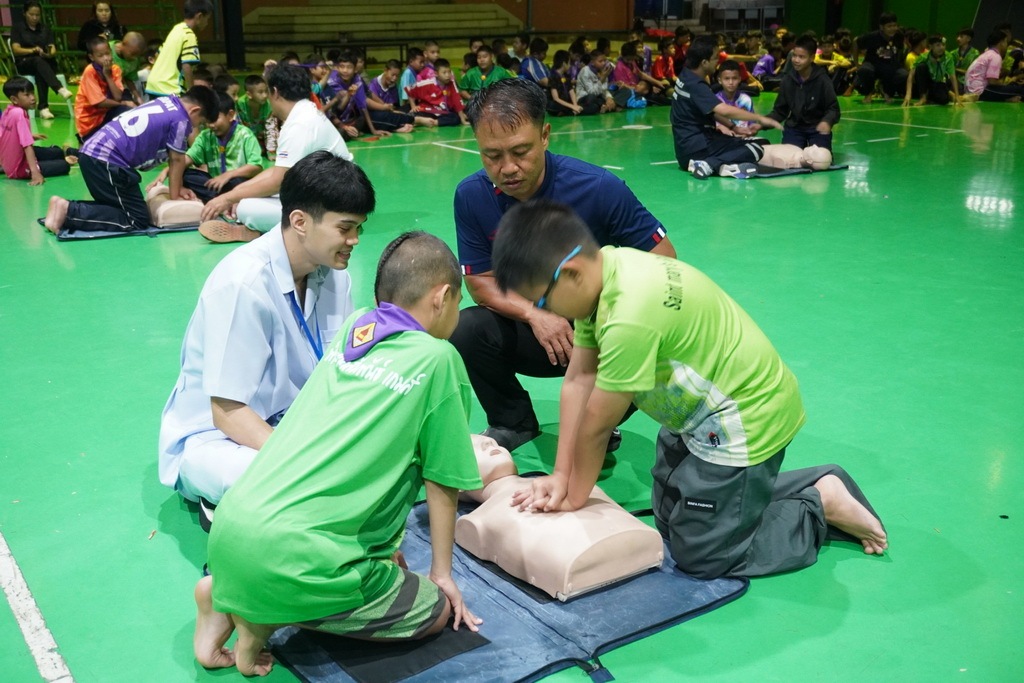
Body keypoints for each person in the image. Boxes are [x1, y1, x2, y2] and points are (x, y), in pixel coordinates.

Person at [492, 201, 888, 580]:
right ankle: (771, 495)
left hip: (743, 418)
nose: (547, 311)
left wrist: (574, 497)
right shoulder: (607, 271)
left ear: (572, 272)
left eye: (543, 299)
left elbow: (597, 423)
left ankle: (818, 503)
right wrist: (561, 474)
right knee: (669, 519)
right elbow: (579, 379)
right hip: (695, 416)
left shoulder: (630, 314)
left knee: (701, 553)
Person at [193, 231, 482, 676]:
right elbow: (442, 480)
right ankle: (258, 617)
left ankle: (228, 592)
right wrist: (442, 575)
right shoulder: (438, 358)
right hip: (288, 561)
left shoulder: (357, 327)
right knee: (433, 611)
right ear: (442, 298)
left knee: (369, 558)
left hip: (229, 531)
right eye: (459, 302)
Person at [450, 78, 676, 452]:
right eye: (492, 156)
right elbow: (481, 283)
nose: (508, 168)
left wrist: (609, 323)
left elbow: (664, 261)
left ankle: (600, 422)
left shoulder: (598, 187)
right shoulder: (471, 196)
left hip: (604, 333)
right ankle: (512, 421)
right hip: (537, 331)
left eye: (520, 151)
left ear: (545, 136)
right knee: (467, 328)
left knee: (594, 420)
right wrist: (535, 315)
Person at [160, 152, 373, 522]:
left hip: (293, 423)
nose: (354, 240)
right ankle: (223, 499)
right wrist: (306, 460)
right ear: (300, 221)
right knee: (298, 485)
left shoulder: (336, 276)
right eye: (345, 228)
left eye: (359, 229)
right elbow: (227, 412)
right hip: (222, 438)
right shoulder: (242, 284)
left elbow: (339, 371)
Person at [456, 434, 664, 600]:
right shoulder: (476, 521)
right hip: (581, 564)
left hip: (632, 541)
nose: (489, 442)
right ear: (455, 484)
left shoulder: (559, 483)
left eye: (492, 442)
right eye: (473, 448)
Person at [198, 64, 352, 243]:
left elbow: (278, 182)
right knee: (247, 197)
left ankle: (257, 232)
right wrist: (238, 191)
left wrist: (227, 198)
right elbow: (278, 170)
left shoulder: (298, 124)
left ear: (275, 92)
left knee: (246, 207)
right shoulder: (306, 112)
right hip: (334, 194)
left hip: (335, 206)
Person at [43, 86, 218, 237]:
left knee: (118, 207)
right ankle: (68, 211)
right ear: (194, 111)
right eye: (200, 123)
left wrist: (177, 188)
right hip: (107, 162)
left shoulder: (166, 101)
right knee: (136, 219)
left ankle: (63, 207)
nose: (195, 127)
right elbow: (177, 159)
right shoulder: (181, 119)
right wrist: (175, 196)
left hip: (93, 154)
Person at [670, 35, 782, 179]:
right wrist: (760, 118)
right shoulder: (696, 85)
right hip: (698, 149)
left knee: (758, 142)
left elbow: (709, 110)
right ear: (704, 62)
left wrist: (733, 127)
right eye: (715, 58)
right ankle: (709, 164)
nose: (718, 61)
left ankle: (723, 166)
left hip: (685, 150)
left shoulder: (685, 75)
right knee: (756, 148)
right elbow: (723, 110)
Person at [147, 91, 262, 203]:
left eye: (215, 119)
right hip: (215, 184)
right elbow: (186, 159)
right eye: (208, 120)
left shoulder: (245, 135)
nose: (210, 125)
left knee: (237, 181)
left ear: (230, 115)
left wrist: (228, 175)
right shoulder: (206, 136)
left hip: (237, 183)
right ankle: (222, 199)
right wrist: (166, 171)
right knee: (185, 174)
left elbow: (256, 166)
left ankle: (225, 199)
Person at [767, 35, 840, 150]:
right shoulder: (787, 79)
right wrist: (762, 123)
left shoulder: (822, 79)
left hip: (817, 128)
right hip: (795, 127)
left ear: (812, 58)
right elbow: (780, 111)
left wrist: (827, 122)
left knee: (820, 158)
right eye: (794, 55)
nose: (796, 60)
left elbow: (833, 109)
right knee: (789, 157)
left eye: (801, 57)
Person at [0, 77, 77, 184]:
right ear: (14, 99)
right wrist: (35, 172)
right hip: (18, 169)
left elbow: (5, 136)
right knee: (64, 166)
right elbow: (27, 146)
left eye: (32, 93)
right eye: (27, 95)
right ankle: (66, 159)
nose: (33, 98)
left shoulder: (8, 111)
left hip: (12, 160)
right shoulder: (19, 114)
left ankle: (63, 154)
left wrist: (30, 136)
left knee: (58, 152)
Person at [10, 1, 73, 120]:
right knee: (38, 62)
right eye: (31, 14)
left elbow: (52, 48)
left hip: (44, 62)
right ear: (25, 13)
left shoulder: (45, 29)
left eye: (37, 15)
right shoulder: (18, 28)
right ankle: (59, 88)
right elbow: (16, 50)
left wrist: (49, 54)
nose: (34, 18)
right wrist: (32, 50)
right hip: (25, 62)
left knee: (40, 67)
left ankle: (44, 108)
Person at [145, 0, 212, 98]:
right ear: (199, 16)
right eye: (207, 19)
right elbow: (187, 65)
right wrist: (191, 91)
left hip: (154, 85)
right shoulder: (189, 35)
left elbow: (158, 54)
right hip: (169, 88)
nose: (207, 23)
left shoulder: (176, 29)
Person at [75, 37, 135, 142]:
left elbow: (118, 96)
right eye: (100, 56)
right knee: (125, 107)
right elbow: (100, 103)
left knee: (129, 112)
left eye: (107, 53)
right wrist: (123, 103)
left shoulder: (115, 69)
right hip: (90, 124)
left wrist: (108, 76)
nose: (106, 58)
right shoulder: (90, 72)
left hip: (105, 115)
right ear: (92, 57)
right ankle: (81, 141)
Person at [855, 12, 907, 103]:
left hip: (889, 65)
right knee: (864, 70)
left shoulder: (899, 36)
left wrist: (897, 62)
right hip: (872, 64)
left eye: (895, 25)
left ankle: (887, 91)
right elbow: (855, 41)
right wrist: (856, 64)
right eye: (889, 26)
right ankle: (868, 93)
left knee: (903, 74)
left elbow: (900, 49)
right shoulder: (872, 36)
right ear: (881, 27)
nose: (893, 29)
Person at [404, 58, 468, 126]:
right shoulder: (427, 83)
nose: (447, 75)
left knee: (456, 118)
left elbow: (457, 101)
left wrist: (463, 120)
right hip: (427, 111)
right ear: (436, 74)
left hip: (442, 113)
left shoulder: (451, 83)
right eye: (444, 73)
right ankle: (421, 120)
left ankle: (434, 122)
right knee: (411, 117)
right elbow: (410, 90)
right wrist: (413, 106)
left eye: (449, 72)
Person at [965, 30, 1024, 102]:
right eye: (1006, 42)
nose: (1006, 45)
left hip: (971, 89)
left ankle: (1008, 99)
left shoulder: (987, 53)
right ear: (1001, 43)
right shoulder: (995, 56)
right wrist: (1004, 83)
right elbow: (992, 82)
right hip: (980, 91)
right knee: (1020, 90)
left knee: (1010, 88)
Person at [904, 35, 961, 107]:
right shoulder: (924, 57)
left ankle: (940, 95)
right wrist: (908, 94)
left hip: (938, 83)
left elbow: (953, 76)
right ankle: (923, 97)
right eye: (938, 45)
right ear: (931, 47)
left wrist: (957, 96)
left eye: (943, 45)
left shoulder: (948, 57)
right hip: (925, 84)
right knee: (921, 67)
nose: (941, 48)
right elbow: (910, 75)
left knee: (944, 100)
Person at [714, 60, 755, 136]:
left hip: (743, 139)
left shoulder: (746, 100)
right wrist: (719, 127)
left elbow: (752, 127)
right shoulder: (714, 100)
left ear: (739, 79)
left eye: (734, 78)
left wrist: (747, 133)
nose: (731, 82)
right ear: (719, 80)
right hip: (721, 139)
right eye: (726, 78)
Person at [236, 75, 272, 154]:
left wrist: (271, 151)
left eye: (266, 91)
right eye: (260, 92)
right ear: (249, 94)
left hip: (263, 137)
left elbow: (270, 129)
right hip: (246, 138)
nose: (265, 95)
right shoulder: (240, 104)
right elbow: (239, 128)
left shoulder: (268, 105)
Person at [110, 32, 148, 104]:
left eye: (137, 55)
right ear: (123, 44)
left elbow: (128, 78)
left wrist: (138, 97)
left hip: (119, 90)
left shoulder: (134, 61)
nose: (134, 58)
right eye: (132, 54)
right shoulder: (106, 50)